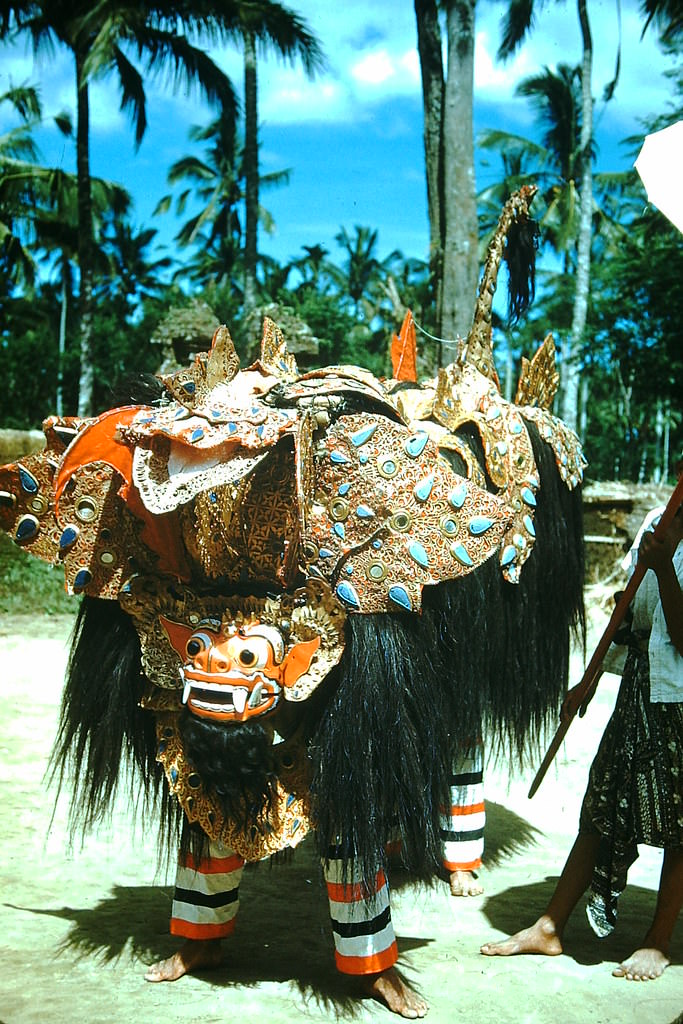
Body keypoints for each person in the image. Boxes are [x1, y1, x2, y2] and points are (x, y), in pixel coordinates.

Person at [481, 483, 683, 981]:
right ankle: (550, 925)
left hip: (680, 700)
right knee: (601, 804)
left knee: (680, 821)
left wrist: (662, 566)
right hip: (639, 688)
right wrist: (589, 680)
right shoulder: (658, 520)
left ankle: (657, 941)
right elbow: (631, 614)